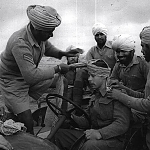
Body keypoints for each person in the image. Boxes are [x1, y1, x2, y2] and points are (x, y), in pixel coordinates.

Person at [0, 5, 79, 134]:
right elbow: (31, 76)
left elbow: (48, 49)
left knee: (61, 81)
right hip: (12, 82)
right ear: (37, 28)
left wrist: (64, 53)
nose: (52, 34)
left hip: (27, 75)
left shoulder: (38, 36)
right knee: (27, 122)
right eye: (49, 32)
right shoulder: (20, 42)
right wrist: (58, 68)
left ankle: (61, 119)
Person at [52, 59, 131, 150]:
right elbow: (87, 119)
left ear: (103, 76)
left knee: (89, 146)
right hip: (93, 135)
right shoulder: (95, 95)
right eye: (89, 75)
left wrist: (100, 133)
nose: (89, 79)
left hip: (114, 140)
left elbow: (122, 124)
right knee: (59, 135)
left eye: (93, 76)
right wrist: (71, 119)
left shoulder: (118, 95)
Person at [107, 26, 150, 150]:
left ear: (131, 51)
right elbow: (112, 78)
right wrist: (118, 86)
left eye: (123, 51)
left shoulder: (143, 64)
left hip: (140, 108)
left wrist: (122, 93)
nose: (119, 55)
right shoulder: (118, 65)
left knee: (120, 118)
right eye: (117, 52)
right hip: (131, 101)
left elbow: (146, 100)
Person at [72, 23, 116, 107]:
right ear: (94, 37)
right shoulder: (92, 50)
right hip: (96, 76)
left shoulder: (113, 47)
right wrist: (71, 66)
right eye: (97, 35)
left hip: (111, 76)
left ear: (105, 35)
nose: (99, 37)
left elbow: (119, 63)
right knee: (81, 72)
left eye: (101, 34)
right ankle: (76, 105)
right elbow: (85, 63)